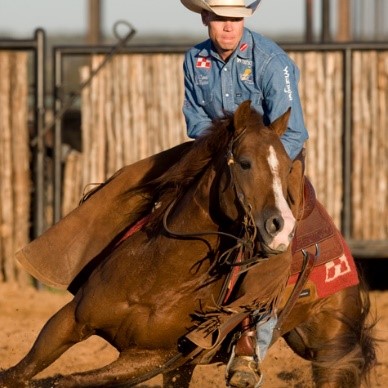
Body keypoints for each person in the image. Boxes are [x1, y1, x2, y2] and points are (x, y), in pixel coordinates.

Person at [180, 0, 308, 386]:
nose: (228, 26)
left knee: (275, 238)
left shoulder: (272, 62)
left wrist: (258, 160)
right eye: (220, 18)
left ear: (245, 20)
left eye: (235, 19)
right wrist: (224, 152)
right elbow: (195, 119)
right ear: (205, 18)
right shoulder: (194, 60)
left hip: (273, 162)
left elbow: (294, 131)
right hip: (221, 160)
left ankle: (251, 346)